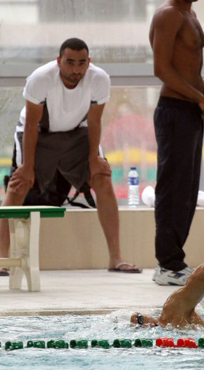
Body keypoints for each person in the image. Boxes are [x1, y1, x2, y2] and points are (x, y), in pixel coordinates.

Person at [0, 38, 141, 274]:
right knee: (19, 184)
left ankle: (116, 258)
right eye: (70, 62)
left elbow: (95, 121)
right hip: (39, 132)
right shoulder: (40, 78)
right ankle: (2, 258)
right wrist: (27, 166)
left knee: (102, 178)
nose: (76, 69)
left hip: (77, 132)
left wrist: (94, 159)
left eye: (81, 63)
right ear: (59, 61)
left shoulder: (99, 79)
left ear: (89, 62)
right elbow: (32, 125)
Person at [149, 0, 204, 286]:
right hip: (174, 111)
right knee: (173, 189)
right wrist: (199, 98)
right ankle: (166, 265)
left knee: (188, 191)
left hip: (189, 110)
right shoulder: (168, 16)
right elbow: (162, 70)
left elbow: (190, 69)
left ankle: (175, 260)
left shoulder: (188, 14)